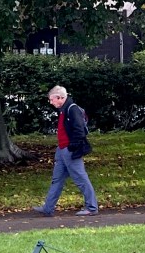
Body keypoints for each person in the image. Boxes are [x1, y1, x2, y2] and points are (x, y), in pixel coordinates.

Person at [32, 85, 98, 217]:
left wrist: (72, 147)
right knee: (57, 179)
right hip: (62, 149)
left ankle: (91, 207)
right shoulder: (64, 109)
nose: (51, 102)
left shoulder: (72, 109)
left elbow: (79, 130)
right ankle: (48, 208)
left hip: (69, 150)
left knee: (80, 178)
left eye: (52, 99)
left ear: (60, 98)